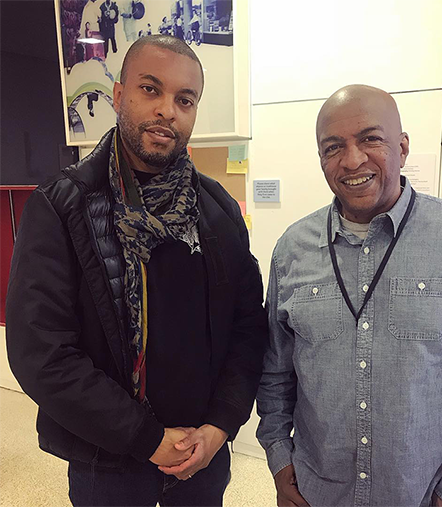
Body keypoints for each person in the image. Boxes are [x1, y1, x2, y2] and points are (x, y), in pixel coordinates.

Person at [6, 35, 267, 506]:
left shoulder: (219, 212)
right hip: (108, 465)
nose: (168, 110)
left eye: (184, 100)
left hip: (202, 462)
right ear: (120, 96)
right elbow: (41, 353)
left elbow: (247, 327)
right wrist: (146, 438)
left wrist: (220, 424)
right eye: (152, 90)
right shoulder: (62, 207)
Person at [256, 84, 442, 507]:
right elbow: (275, 372)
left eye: (371, 139)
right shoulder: (292, 249)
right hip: (317, 493)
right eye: (333, 147)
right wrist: (280, 460)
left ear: (403, 147)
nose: (352, 160)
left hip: (425, 494)